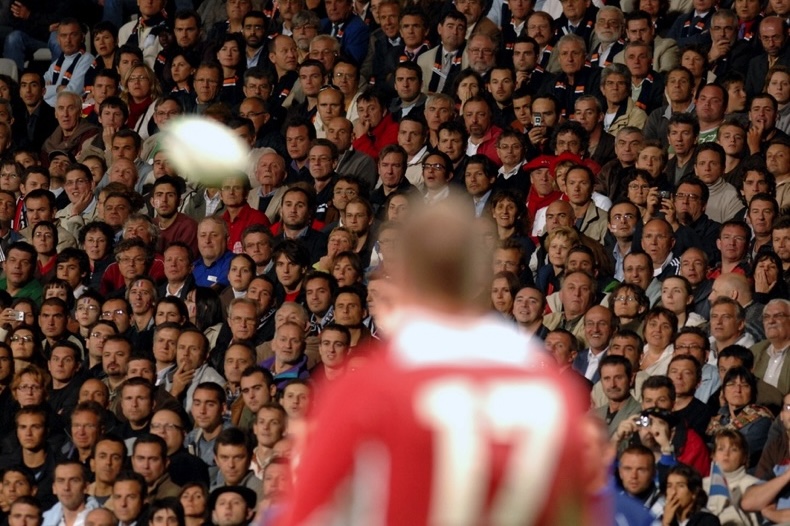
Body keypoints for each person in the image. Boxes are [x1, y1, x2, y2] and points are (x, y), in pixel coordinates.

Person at [282, 197, 593, 523]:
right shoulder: (547, 391)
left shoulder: (365, 388)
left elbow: (308, 515)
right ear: (478, 269)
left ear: (408, 275)